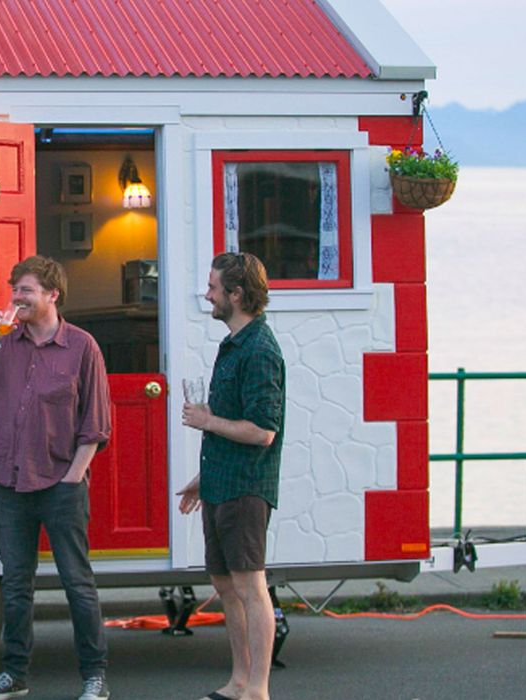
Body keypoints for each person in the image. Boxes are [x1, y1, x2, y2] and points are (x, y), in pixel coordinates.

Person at [0, 255, 112, 700]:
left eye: (26, 290)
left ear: (52, 295)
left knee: (77, 583)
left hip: (62, 484)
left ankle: (94, 677)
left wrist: (72, 479)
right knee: (16, 586)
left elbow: (96, 424)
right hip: (11, 483)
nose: (17, 298)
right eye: (14, 290)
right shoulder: (5, 345)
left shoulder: (82, 347)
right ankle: (14, 674)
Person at [177, 252, 286, 700]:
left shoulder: (260, 350)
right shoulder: (235, 344)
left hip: (246, 487)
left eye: (214, 287)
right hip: (221, 484)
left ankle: (257, 688)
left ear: (236, 295)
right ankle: (239, 680)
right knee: (225, 583)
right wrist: (202, 481)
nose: (208, 294)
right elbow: (235, 423)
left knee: (250, 583)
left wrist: (207, 421)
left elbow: (262, 430)